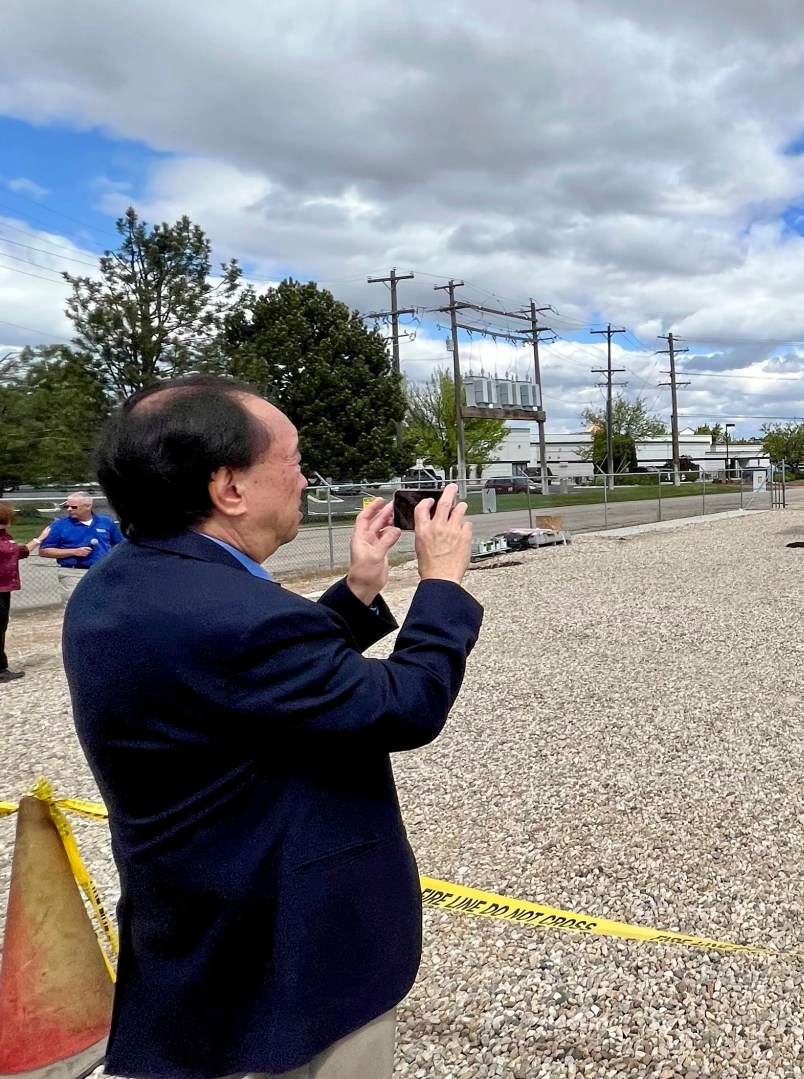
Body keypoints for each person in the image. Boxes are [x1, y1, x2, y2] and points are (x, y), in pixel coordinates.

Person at [65, 375, 483, 1079]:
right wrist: (441, 583)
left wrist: (358, 591)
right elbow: (405, 705)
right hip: (283, 954)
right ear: (230, 486)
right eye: (291, 461)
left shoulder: (123, 584)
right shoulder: (234, 613)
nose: (304, 479)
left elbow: (247, 681)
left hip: (196, 929)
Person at [37, 490, 124, 603]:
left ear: (88, 506)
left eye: (74, 507)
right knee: (74, 606)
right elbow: (44, 551)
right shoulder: (59, 526)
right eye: (67, 506)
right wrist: (73, 552)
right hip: (73, 573)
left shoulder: (106, 522)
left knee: (104, 605)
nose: (69, 509)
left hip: (102, 571)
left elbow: (118, 544)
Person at [0, 502, 46, 682]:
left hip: (4, 588)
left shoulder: (5, 536)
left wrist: (39, 538)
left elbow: (18, 552)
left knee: (2, 626)